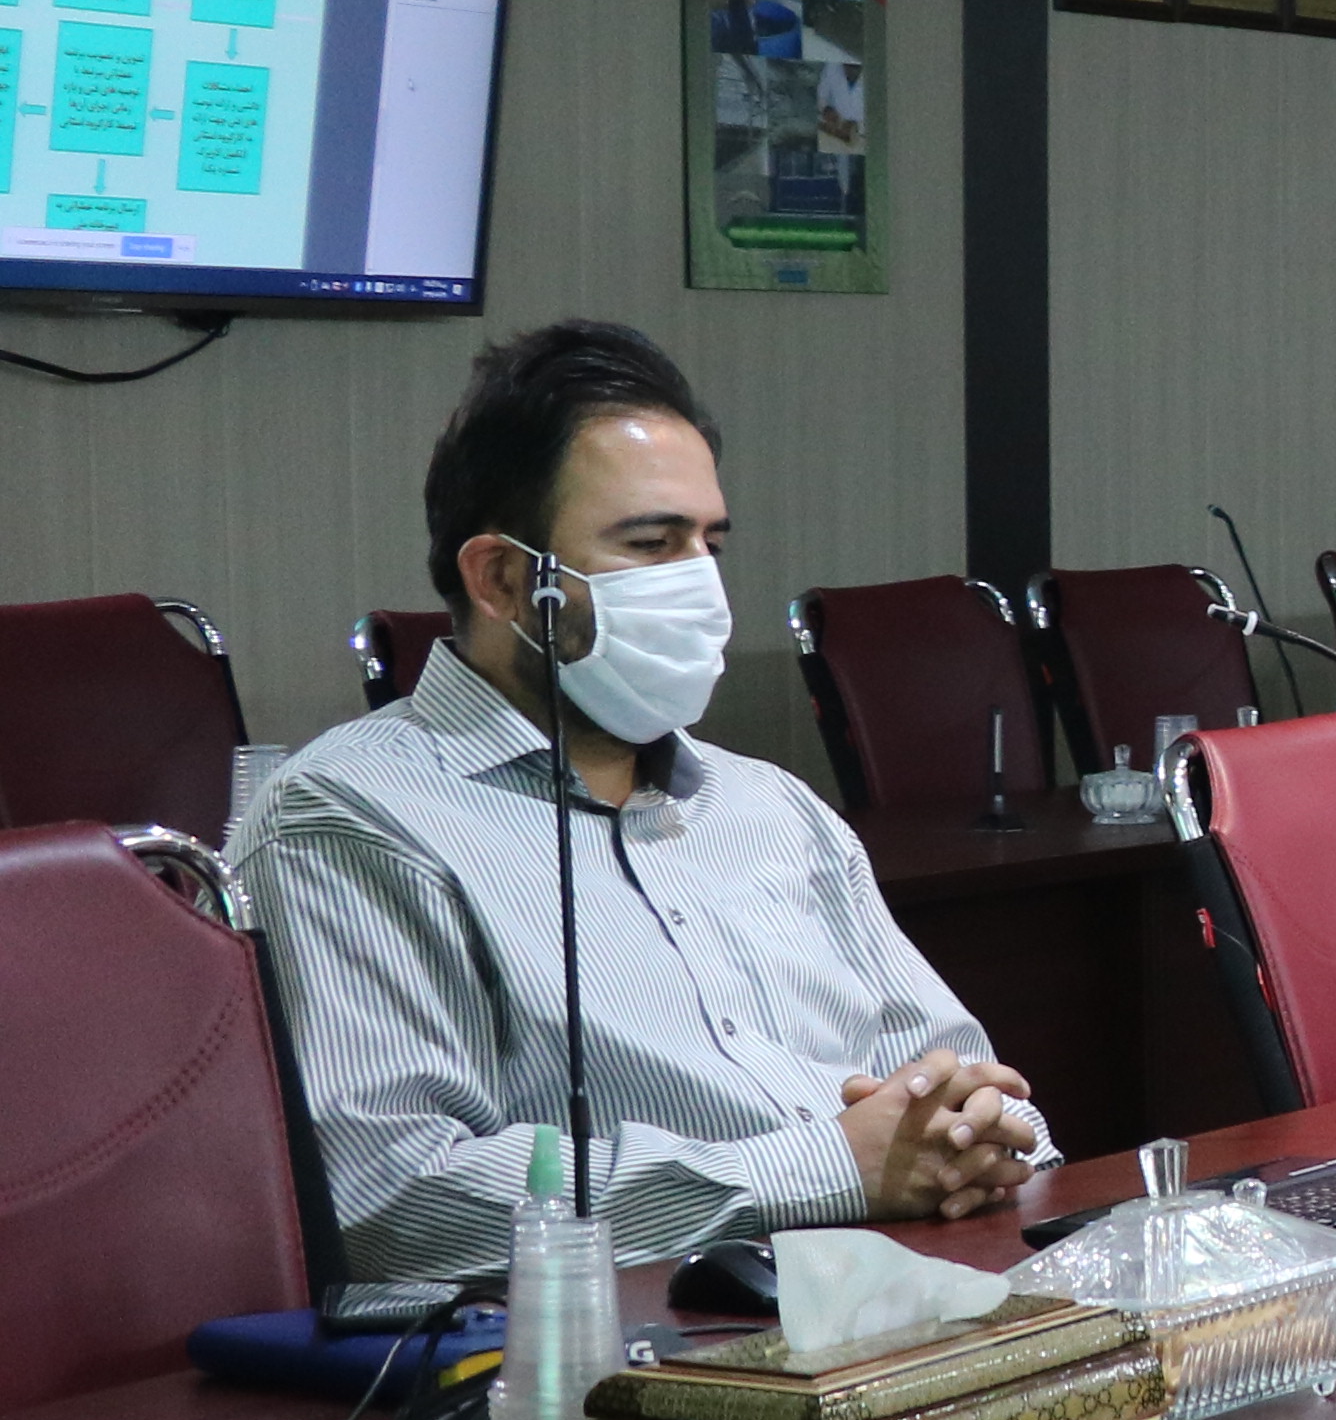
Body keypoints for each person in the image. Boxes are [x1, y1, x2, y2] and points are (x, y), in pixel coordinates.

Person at [245, 320, 1042, 1305]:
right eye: (651, 544)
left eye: (710, 544)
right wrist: (828, 1167)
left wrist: (985, 1132)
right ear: (502, 580)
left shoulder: (773, 808)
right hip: (614, 1345)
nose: (700, 584)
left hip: (895, 1304)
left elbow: (963, 1080)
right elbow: (389, 1196)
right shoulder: (349, 817)